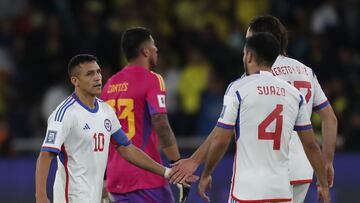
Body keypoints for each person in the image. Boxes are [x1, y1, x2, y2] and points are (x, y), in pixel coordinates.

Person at [170, 15, 337, 203]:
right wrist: (327, 162)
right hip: (300, 170)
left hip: (261, 171)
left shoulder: (254, 76)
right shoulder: (306, 72)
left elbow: (223, 131)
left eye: (248, 39)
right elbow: (330, 119)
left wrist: (195, 161)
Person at [35, 54, 177, 203]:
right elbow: (45, 155)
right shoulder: (64, 114)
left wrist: (167, 172)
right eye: (89, 74)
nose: (97, 78)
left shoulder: (106, 111)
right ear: (75, 81)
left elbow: (127, 148)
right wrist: (41, 197)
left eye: (98, 72)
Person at [100, 27, 189, 203]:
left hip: (115, 178)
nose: (157, 49)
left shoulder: (109, 85)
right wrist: (176, 164)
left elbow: (102, 134)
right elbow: (160, 122)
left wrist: (103, 176)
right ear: (145, 51)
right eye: (154, 45)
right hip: (144, 177)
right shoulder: (152, 79)